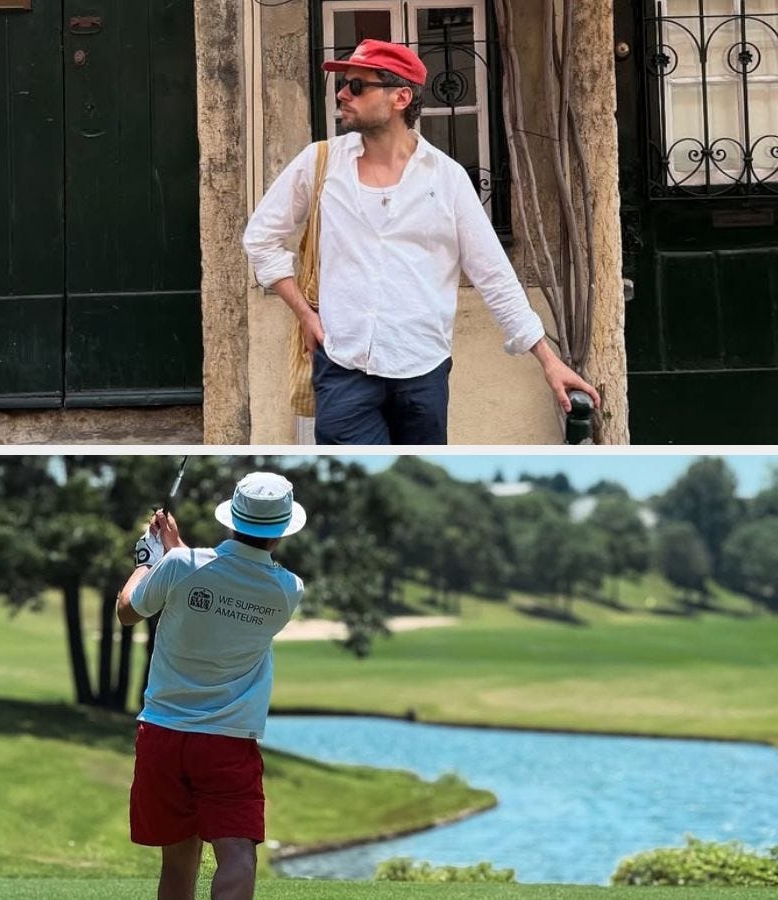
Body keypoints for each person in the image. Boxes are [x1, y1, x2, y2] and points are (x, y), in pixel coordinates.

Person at [243, 39, 600, 444]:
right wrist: (305, 314)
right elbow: (261, 239)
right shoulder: (320, 163)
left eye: (357, 86)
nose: (343, 94)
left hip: (422, 373)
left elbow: (494, 274)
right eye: (342, 85)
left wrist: (548, 361)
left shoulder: (445, 179)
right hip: (343, 370)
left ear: (401, 97)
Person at [116, 472, 309, 900]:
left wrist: (148, 560)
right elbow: (221, 581)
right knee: (237, 852)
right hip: (227, 742)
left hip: (163, 735)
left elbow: (128, 611)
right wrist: (172, 554)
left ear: (232, 520)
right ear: (280, 533)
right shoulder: (287, 591)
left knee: (179, 862)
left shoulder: (182, 566)